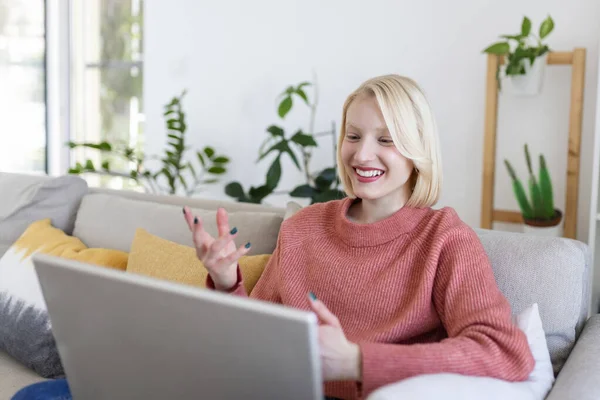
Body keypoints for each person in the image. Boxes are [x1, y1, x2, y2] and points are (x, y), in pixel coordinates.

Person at [181, 74, 535, 400]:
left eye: (385, 139)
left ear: (417, 151)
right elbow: (257, 341)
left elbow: (505, 353)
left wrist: (357, 361)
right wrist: (226, 282)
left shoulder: (444, 239)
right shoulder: (303, 228)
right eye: (353, 136)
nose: (362, 154)